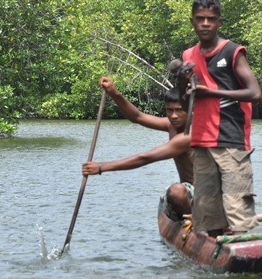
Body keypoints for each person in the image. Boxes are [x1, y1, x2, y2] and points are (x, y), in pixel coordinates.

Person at [182, 0, 262, 237]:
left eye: (211, 19)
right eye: (200, 19)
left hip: (230, 139)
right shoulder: (188, 56)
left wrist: (213, 92)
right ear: (192, 21)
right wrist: (182, 84)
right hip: (202, 140)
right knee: (207, 208)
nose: (205, 23)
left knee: (237, 204)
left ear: (219, 22)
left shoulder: (231, 52)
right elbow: (187, 99)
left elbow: (255, 93)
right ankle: (216, 249)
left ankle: (244, 248)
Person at [81, 77, 194, 220]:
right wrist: (114, 93)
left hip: (204, 195)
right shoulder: (171, 125)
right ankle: (190, 220)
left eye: (179, 110)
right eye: (169, 110)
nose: (174, 115)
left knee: (176, 191)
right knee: (176, 192)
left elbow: (146, 157)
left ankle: (197, 225)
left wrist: (102, 167)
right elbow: (137, 117)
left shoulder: (190, 134)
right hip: (189, 192)